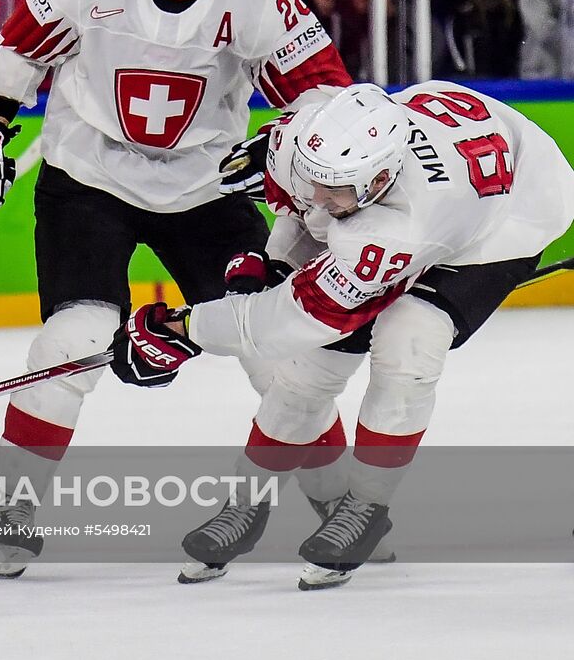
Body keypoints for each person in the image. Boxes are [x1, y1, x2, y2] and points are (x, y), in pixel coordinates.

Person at [0, 0, 353, 579]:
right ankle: (12, 507)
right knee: (71, 341)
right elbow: (24, 43)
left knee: (277, 355)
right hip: (88, 177)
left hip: (207, 190)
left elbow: (325, 97)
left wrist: (290, 143)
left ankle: (342, 502)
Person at [115, 82, 574, 589]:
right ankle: (246, 504)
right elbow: (305, 206)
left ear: (380, 179)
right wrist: (275, 262)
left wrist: (188, 330)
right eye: (314, 181)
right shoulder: (309, 143)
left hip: (508, 214)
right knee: (308, 375)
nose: (319, 197)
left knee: (408, 346)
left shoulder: (398, 227)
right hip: (451, 160)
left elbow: (290, 321)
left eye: (335, 190)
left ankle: (365, 507)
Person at [443, 0, 521, 79]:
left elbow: (517, 52)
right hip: (472, 85)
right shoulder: (463, 17)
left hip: (507, 85)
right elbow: (455, 55)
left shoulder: (513, 15)